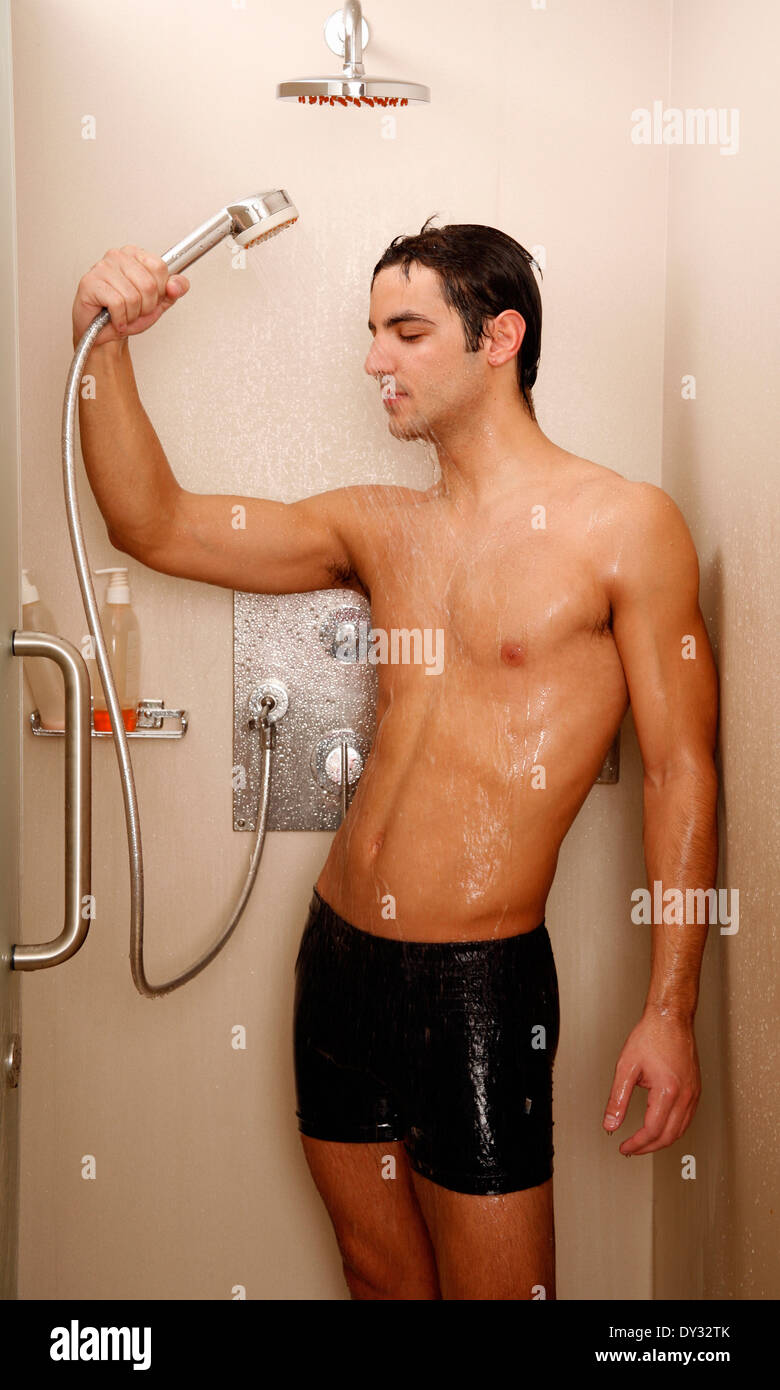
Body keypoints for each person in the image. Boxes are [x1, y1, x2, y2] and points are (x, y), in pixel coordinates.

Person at [71, 218, 719, 1300]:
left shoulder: (626, 527)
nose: (374, 358)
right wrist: (101, 341)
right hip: (337, 963)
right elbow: (157, 524)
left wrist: (670, 1008)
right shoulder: (381, 528)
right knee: (377, 1284)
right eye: (373, 330)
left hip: (481, 984)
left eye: (407, 330)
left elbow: (681, 772)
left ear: (500, 336)